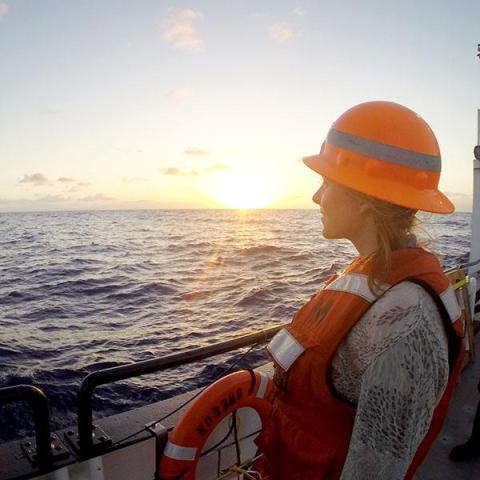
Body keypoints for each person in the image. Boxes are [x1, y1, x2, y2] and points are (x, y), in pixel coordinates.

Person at [254, 101, 465, 480]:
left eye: (327, 182)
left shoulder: (406, 321)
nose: (316, 197)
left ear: (365, 198)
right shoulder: (372, 277)